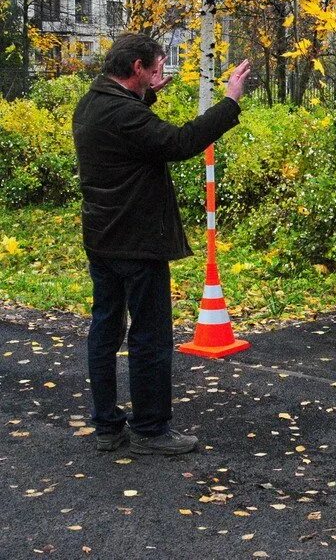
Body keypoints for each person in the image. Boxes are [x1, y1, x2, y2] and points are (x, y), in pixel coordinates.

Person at [72, 33, 251, 455]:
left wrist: (147, 99)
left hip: (102, 238)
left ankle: (106, 426)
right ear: (137, 69)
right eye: (155, 68)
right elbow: (177, 143)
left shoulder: (92, 103)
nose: (160, 74)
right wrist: (230, 102)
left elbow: (131, 138)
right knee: (149, 336)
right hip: (137, 241)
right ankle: (152, 430)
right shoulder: (123, 114)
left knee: (105, 330)